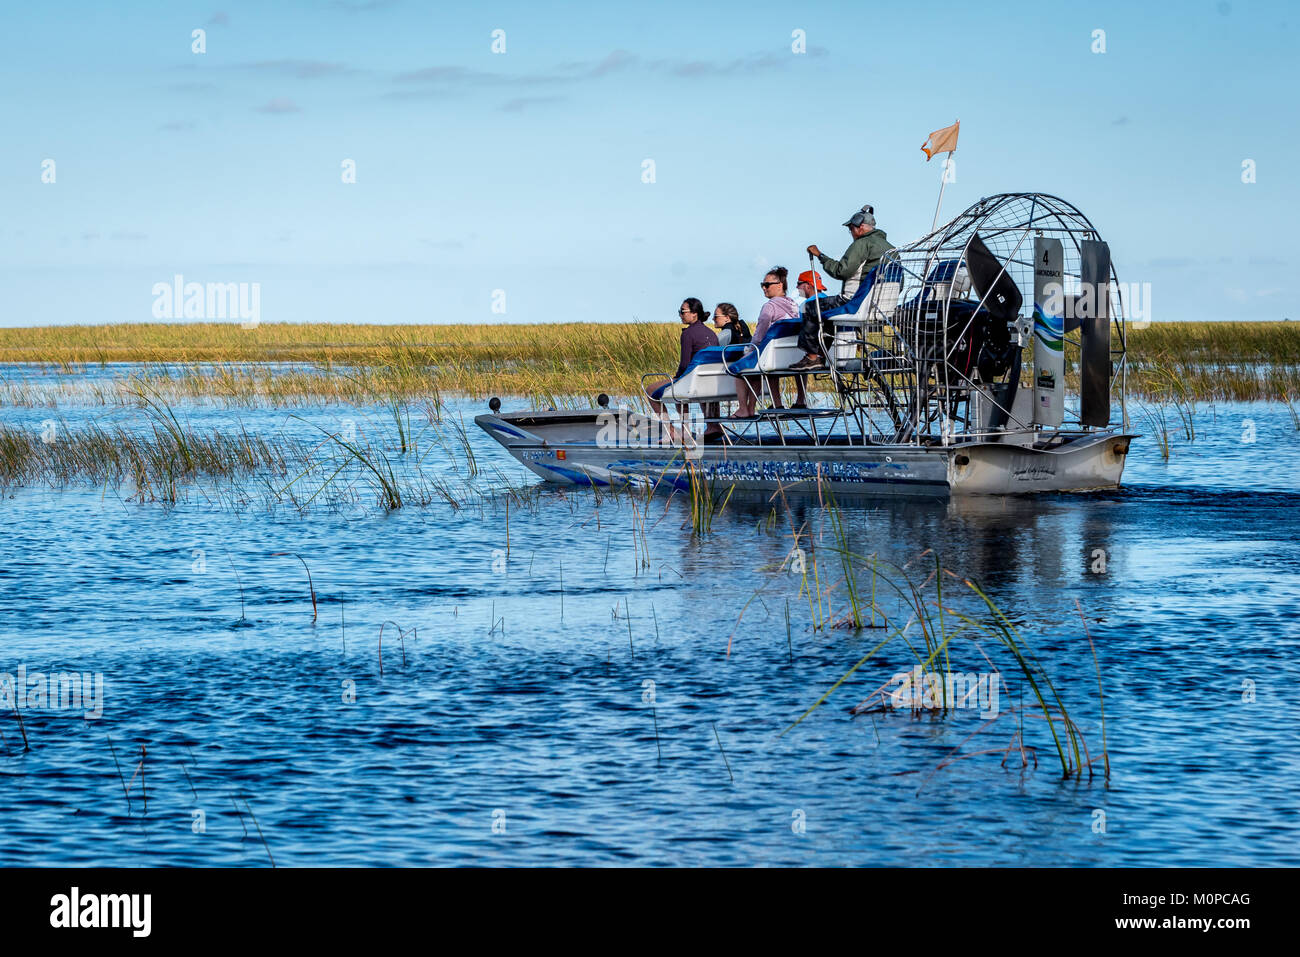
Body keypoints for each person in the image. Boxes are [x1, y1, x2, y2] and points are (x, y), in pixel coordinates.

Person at [790, 204, 894, 372]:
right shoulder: (891, 248)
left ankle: (812, 358)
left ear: (860, 228)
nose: (851, 233)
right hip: (881, 306)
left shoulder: (861, 244)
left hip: (855, 301)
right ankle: (821, 355)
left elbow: (841, 271)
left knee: (811, 306)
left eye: (851, 229)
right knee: (829, 312)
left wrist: (820, 256)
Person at [647, 297, 719, 439]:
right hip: (711, 382)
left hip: (693, 383)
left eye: (683, 311)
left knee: (650, 390)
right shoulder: (711, 333)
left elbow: (684, 364)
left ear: (694, 314)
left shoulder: (687, 334)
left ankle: (673, 430)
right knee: (681, 386)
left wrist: (676, 377)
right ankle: (713, 426)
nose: (680, 314)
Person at [735, 267, 801, 418]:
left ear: (780, 285)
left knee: (737, 369)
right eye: (762, 285)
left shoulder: (769, 306)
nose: (764, 288)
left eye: (767, 285)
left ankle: (744, 409)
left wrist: (750, 349)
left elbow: (760, 333)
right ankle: (776, 404)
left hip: (772, 358)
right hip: (790, 356)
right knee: (768, 363)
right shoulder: (794, 305)